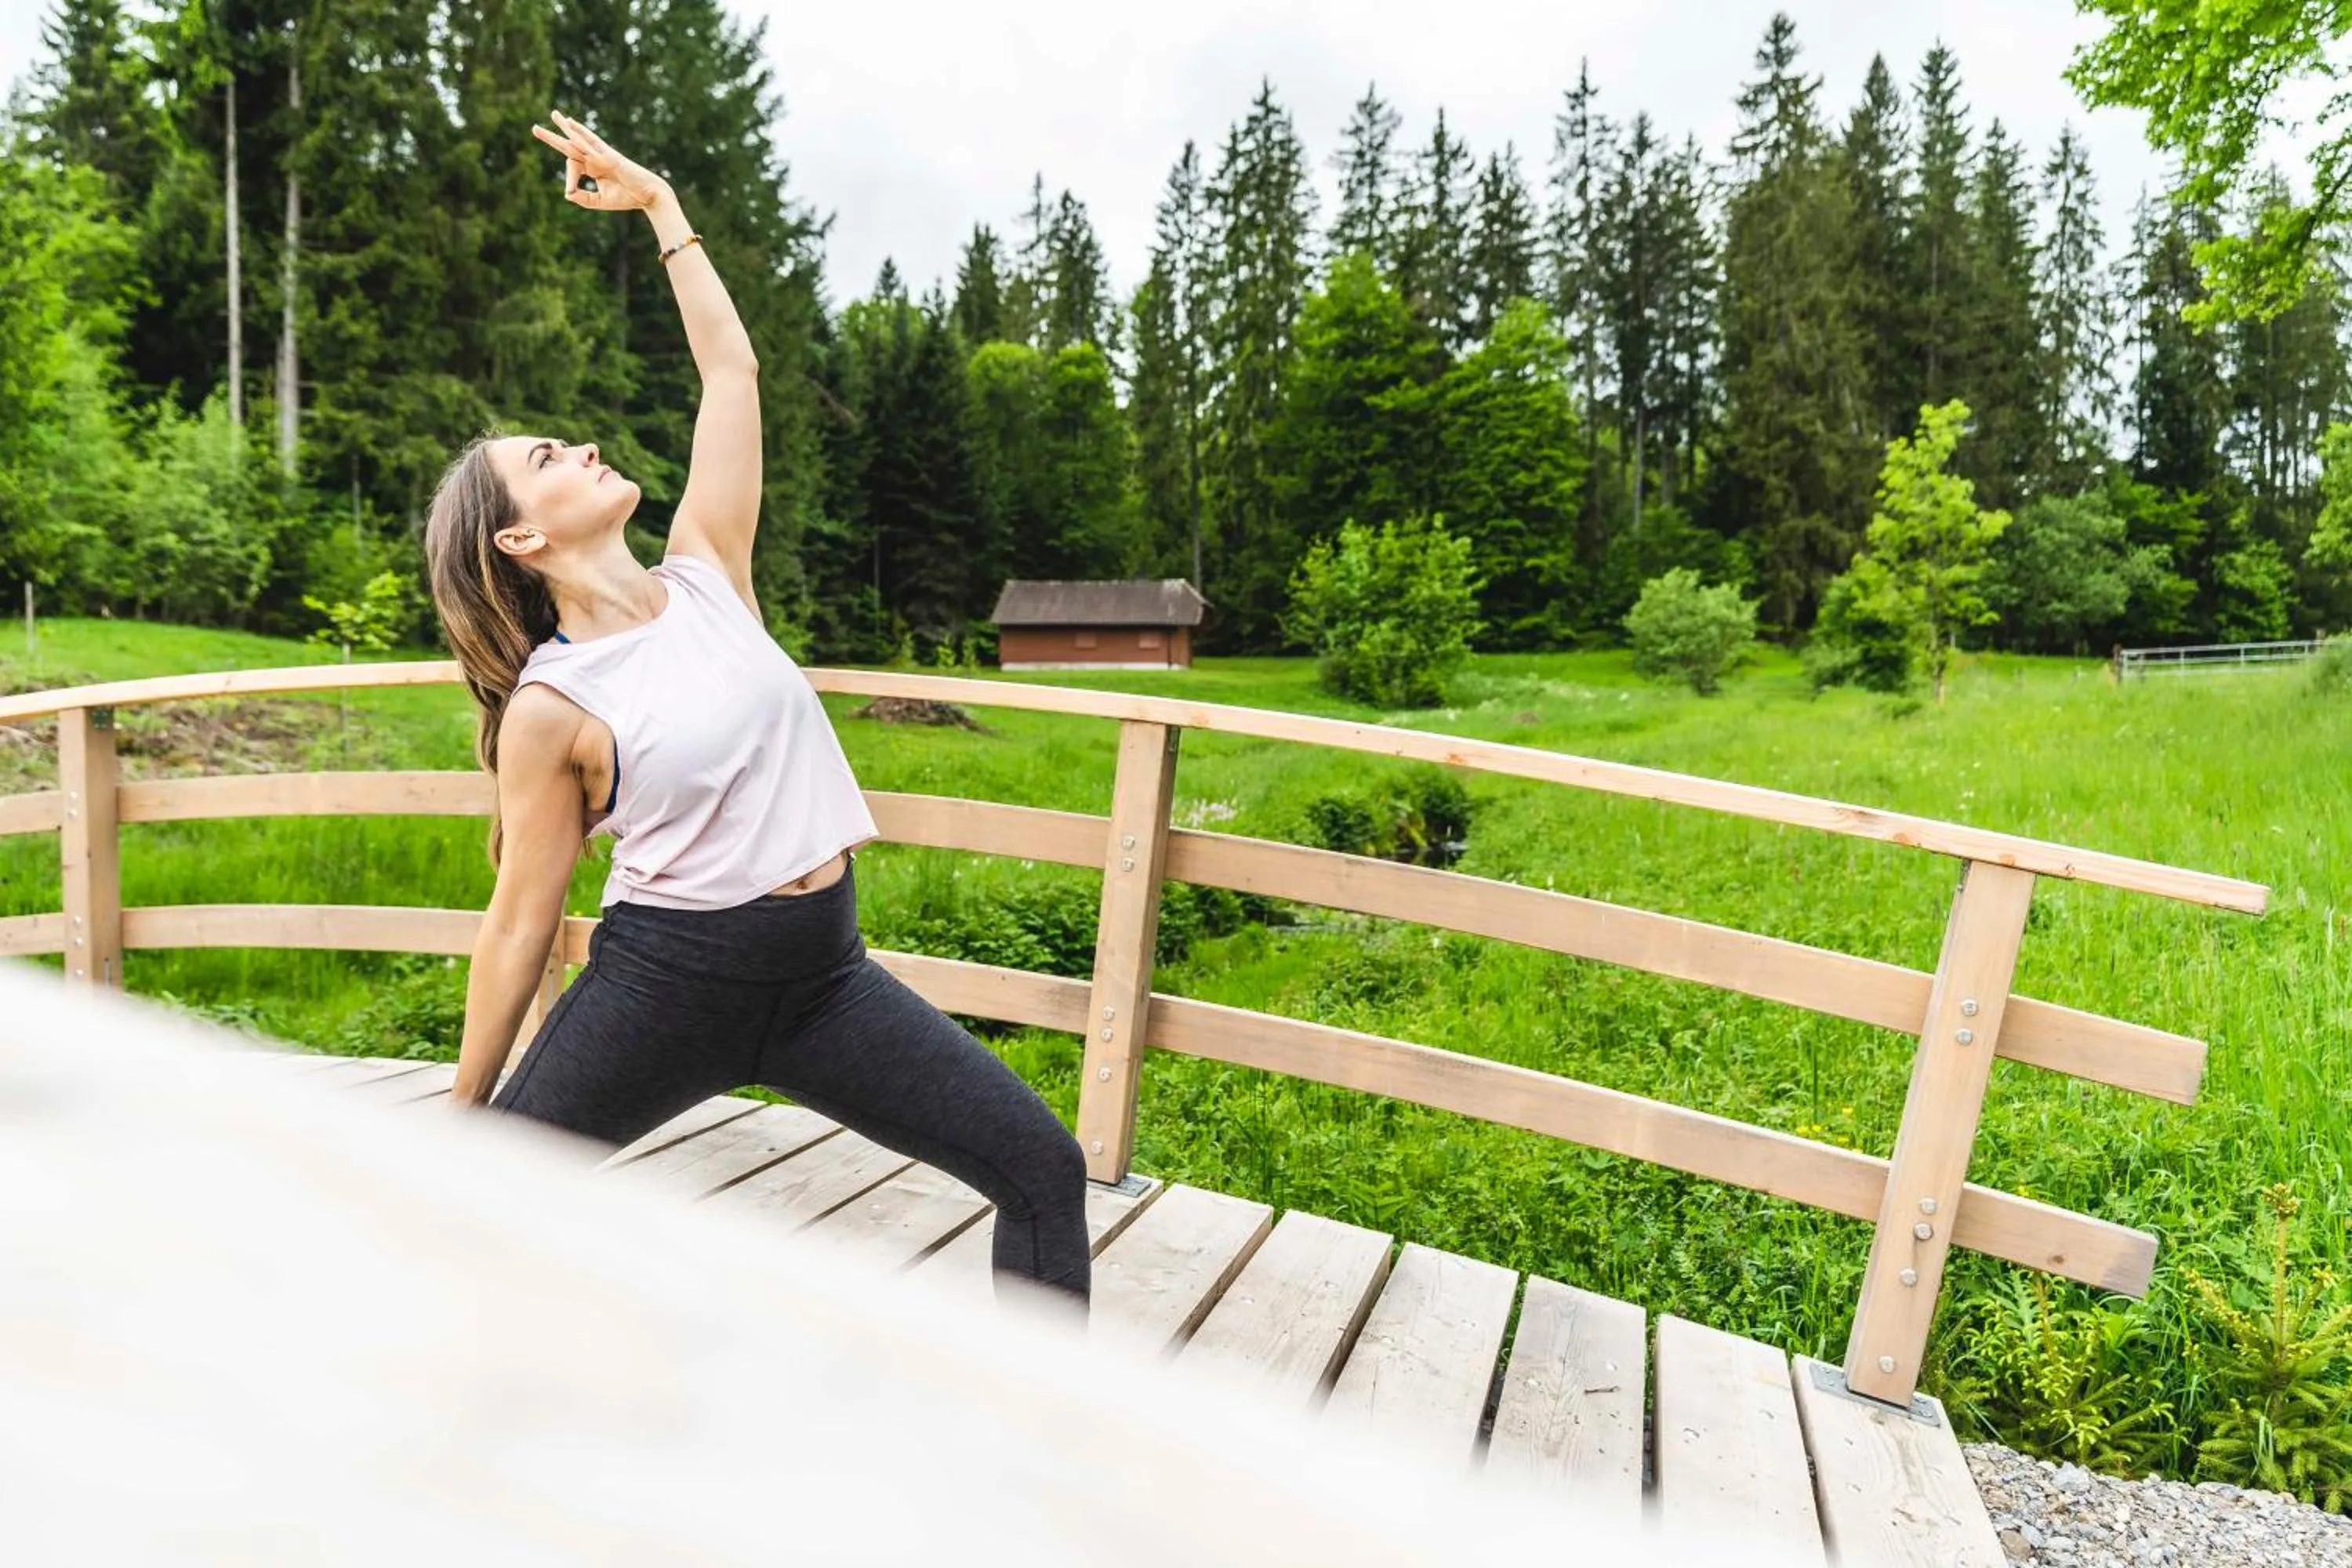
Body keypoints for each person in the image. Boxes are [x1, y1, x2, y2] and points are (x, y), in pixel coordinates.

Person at [422, 111, 1091, 1314]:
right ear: (523, 538)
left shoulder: (707, 568)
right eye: (549, 457)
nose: (580, 446)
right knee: (481, 1223)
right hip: (666, 987)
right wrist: (463, 1121)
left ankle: (1047, 1471)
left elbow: (731, 373)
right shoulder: (553, 707)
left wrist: (663, 207)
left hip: (826, 975)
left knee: (1044, 1170)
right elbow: (521, 927)